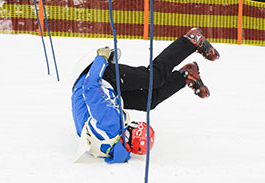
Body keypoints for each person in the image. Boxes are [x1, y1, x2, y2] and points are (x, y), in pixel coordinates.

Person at [71, 27, 220, 163]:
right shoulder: (108, 145)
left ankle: (190, 40)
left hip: (97, 78)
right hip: (104, 95)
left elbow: (90, 87)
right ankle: (186, 76)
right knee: (148, 102)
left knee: (153, 78)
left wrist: (101, 59)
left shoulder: (110, 122)